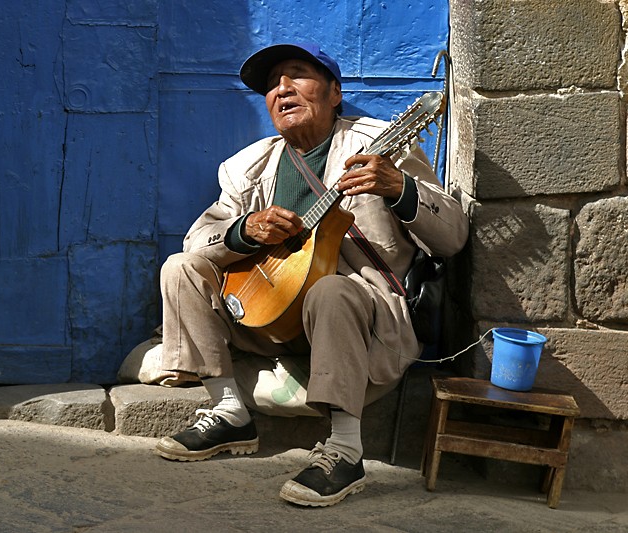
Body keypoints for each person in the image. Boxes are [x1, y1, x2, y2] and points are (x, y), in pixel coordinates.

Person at [153, 42, 469, 507]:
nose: (282, 89)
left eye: (297, 75)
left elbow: (453, 236)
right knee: (180, 267)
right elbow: (197, 240)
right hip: (267, 316)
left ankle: (344, 449)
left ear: (335, 92)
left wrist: (399, 188)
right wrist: (243, 231)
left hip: (363, 320)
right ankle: (229, 411)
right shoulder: (246, 166)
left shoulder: (380, 145)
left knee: (332, 289)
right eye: (272, 84)